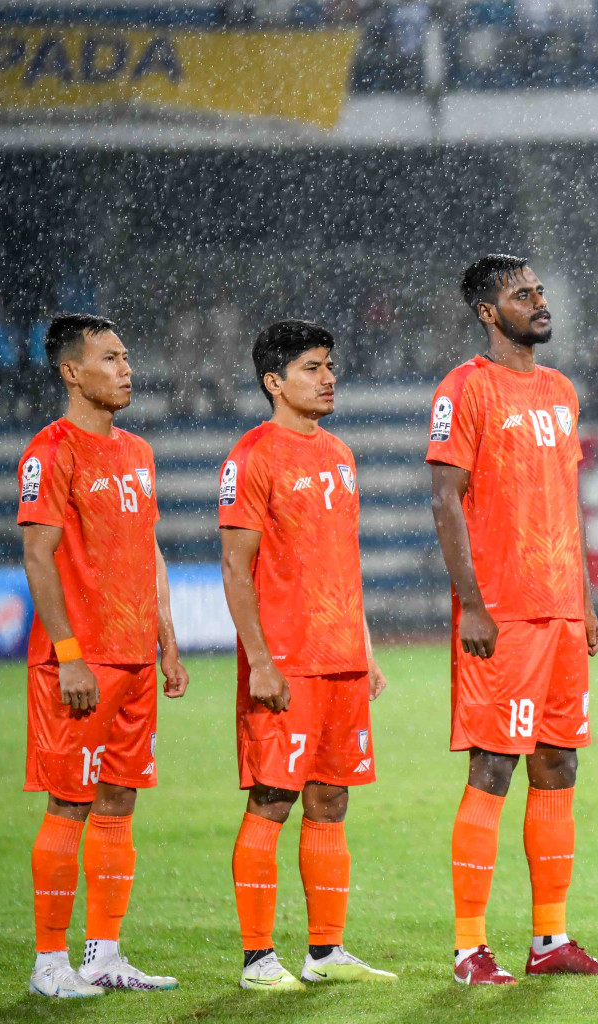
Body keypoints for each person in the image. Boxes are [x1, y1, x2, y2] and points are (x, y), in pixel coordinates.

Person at [428, 254, 598, 985]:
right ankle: (469, 949)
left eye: (539, 291)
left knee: (559, 764)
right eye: (521, 295)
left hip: (562, 612)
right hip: (502, 614)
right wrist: (471, 602)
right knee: (494, 766)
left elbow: (561, 502)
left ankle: (550, 941)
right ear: (487, 311)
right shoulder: (465, 389)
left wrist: (586, 601)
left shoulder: (561, 391)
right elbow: (446, 498)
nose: (539, 303)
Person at [219, 320, 395, 990]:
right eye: (313, 368)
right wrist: (260, 660)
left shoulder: (341, 454)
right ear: (274, 381)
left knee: (330, 800)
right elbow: (237, 570)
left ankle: (325, 952)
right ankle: (257, 959)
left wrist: (366, 647)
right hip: (287, 662)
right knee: (272, 799)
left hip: (342, 657)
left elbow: (340, 565)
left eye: (332, 367)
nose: (329, 378)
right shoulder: (251, 456)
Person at [19, 313, 189, 998]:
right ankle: (48, 965)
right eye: (111, 359)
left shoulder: (138, 453)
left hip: (135, 660)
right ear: (71, 371)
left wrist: (167, 641)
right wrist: (69, 655)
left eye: (127, 358)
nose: (126, 369)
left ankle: (105, 954)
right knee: (70, 804)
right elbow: (38, 554)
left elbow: (148, 549)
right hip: (79, 662)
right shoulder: (49, 450)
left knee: (119, 802)